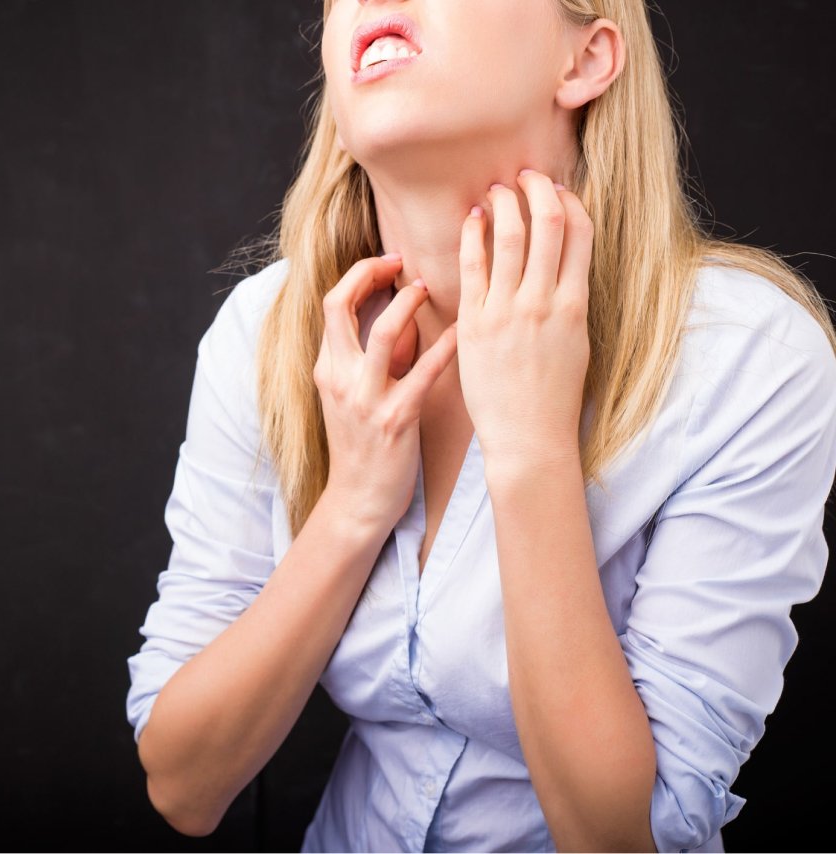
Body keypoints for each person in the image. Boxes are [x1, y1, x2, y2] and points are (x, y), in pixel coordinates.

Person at [125, 0, 836, 850]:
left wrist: (532, 447)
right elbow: (181, 783)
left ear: (586, 60)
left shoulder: (750, 359)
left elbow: (629, 840)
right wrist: (352, 508)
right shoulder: (267, 331)